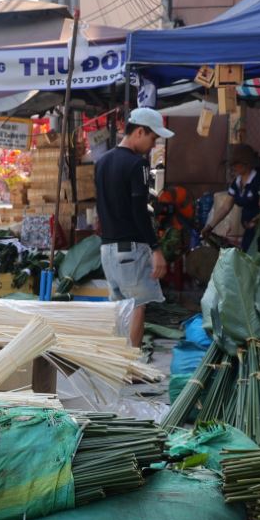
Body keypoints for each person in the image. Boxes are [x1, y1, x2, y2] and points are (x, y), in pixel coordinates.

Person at [95, 107, 172, 349]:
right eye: (152, 138)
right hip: (130, 249)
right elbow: (140, 211)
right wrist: (156, 248)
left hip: (107, 249)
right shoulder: (137, 163)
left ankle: (119, 362)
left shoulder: (102, 162)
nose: (152, 145)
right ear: (139, 131)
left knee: (119, 309)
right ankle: (131, 367)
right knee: (138, 305)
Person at [225, 144, 260, 251]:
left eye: (236, 164)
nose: (233, 167)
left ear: (246, 164)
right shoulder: (236, 182)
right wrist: (210, 226)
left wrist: (255, 220)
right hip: (249, 229)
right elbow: (225, 207)